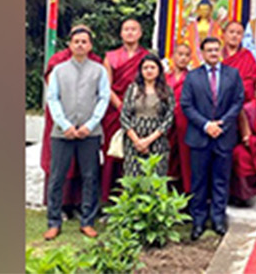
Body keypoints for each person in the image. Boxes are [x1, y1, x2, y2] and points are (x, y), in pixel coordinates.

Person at [42, 26, 112, 240]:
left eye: (84, 41)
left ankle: (87, 221)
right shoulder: (59, 70)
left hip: (89, 133)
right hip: (62, 133)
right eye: (76, 41)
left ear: (90, 46)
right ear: (70, 45)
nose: (80, 45)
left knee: (90, 177)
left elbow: (103, 98)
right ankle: (54, 221)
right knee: (57, 177)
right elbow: (52, 98)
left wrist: (90, 125)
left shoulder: (98, 70)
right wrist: (65, 125)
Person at [180, 37, 245, 240]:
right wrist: (206, 125)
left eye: (217, 50)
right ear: (202, 53)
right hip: (200, 135)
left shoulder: (233, 75)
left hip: (224, 136)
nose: (214, 53)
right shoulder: (192, 77)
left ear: (221, 52)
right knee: (199, 181)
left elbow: (238, 101)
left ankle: (218, 218)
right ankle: (198, 220)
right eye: (209, 50)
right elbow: (186, 104)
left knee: (220, 180)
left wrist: (222, 124)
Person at [102, 19, 151, 201]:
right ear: (121, 34)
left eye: (134, 29)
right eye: (126, 29)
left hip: (140, 110)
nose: (130, 33)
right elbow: (106, 87)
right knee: (112, 154)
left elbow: (150, 84)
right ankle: (109, 199)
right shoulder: (111, 57)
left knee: (137, 153)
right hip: (115, 110)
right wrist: (122, 107)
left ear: (140, 33)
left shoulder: (146, 57)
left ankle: (135, 199)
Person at [116, 54, 174, 178]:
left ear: (159, 70)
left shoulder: (167, 91)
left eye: (152, 67)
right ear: (140, 71)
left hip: (157, 141)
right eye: (145, 68)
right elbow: (124, 116)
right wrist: (137, 141)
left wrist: (148, 141)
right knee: (134, 178)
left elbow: (169, 118)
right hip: (133, 142)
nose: (149, 71)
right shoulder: (132, 89)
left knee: (155, 178)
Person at [165, 44, 193, 192]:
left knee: (184, 160)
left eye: (186, 55)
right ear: (173, 56)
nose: (183, 58)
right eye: (180, 54)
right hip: (166, 125)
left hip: (185, 125)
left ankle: (185, 194)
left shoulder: (193, 78)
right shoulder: (163, 78)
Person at [179, 0, 224, 68]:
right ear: (198, 10)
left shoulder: (215, 26)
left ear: (210, 10)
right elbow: (187, 40)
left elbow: (220, 40)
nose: (204, 12)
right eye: (201, 9)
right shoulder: (192, 26)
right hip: (194, 53)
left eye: (206, 9)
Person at [221, 21, 256, 99]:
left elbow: (253, 80)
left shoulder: (247, 56)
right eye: (231, 32)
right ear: (224, 34)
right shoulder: (217, 55)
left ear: (242, 37)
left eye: (238, 33)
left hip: (242, 99)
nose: (234, 35)